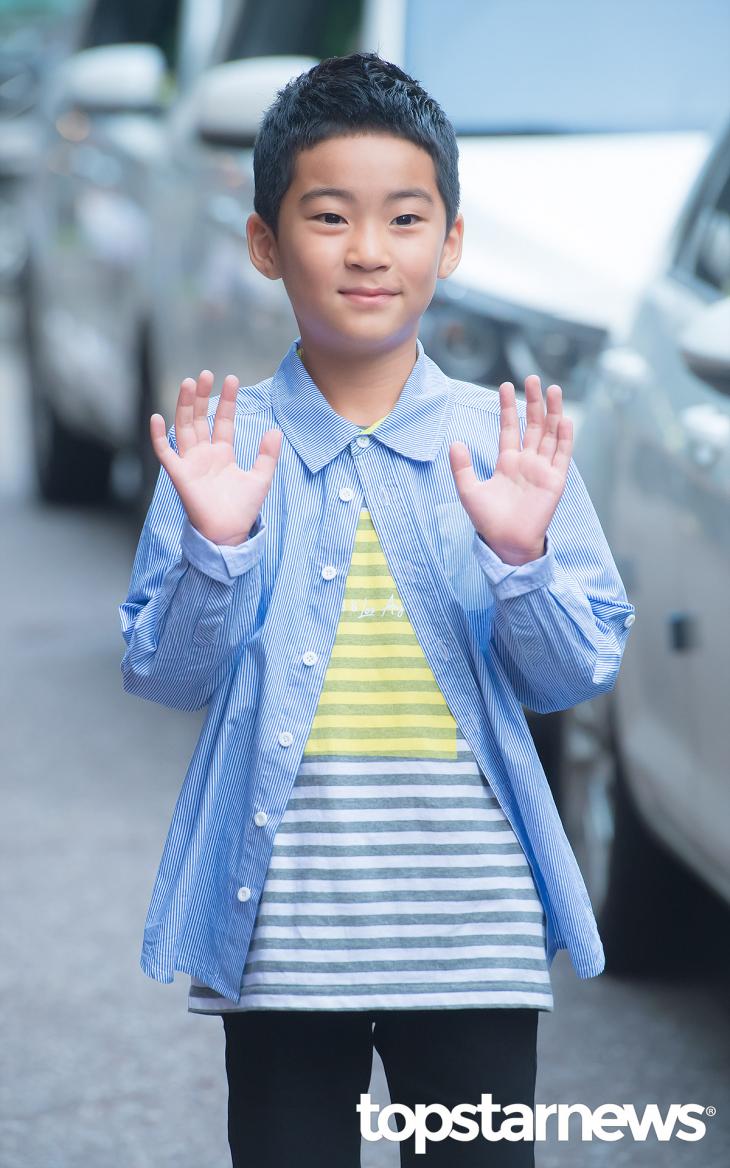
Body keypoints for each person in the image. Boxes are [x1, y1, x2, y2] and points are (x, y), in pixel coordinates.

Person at [119, 51, 636, 1167]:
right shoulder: (224, 449)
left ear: (449, 242)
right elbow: (164, 673)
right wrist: (217, 546)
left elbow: (573, 675)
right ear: (265, 243)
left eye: (404, 217)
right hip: (284, 948)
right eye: (328, 215)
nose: (367, 249)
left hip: (473, 945)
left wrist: (521, 557)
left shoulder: (512, 450)